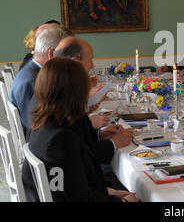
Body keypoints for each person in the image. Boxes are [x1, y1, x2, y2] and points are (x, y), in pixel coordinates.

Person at [23, 58, 138, 202]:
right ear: (76, 94)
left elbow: (69, 186)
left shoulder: (44, 124)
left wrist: (107, 191)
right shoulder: (61, 140)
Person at [10, 26, 68, 135]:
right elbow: (37, 127)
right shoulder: (32, 81)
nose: (66, 60)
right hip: (33, 146)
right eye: (64, 54)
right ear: (51, 54)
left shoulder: (34, 72)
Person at [53, 37, 110, 129]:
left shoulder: (58, 80)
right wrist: (89, 122)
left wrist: (85, 108)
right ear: (75, 61)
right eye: (90, 60)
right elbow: (67, 135)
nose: (92, 66)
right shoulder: (57, 89)